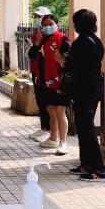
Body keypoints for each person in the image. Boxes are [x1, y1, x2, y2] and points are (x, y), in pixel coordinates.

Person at [57, 9, 105, 182]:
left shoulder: (81, 43)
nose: (74, 26)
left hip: (84, 90)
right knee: (84, 128)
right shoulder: (95, 40)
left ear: (79, 24)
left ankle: (99, 170)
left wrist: (62, 63)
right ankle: (86, 164)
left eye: (75, 22)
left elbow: (72, 67)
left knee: (86, 129)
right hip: (93, 89)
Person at [29, 13, 71, 155]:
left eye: (50, 24)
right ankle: (53, 138)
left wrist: (61, 62)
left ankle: (63, 142)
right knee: (51, 110)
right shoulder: (42, 39)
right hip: (45, 82)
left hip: (60, 82)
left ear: (57, 25)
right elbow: (32, 55)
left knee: (60, 111)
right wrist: (36, 43)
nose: (47, 27)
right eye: (45, 25)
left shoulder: (63, 39)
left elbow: (70, 61)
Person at [27, 6, 53, 143]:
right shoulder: (37, 32)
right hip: (35, 70)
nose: (37, 19)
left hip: (44, 72)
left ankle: (49, 130)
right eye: (35, 17)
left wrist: (36, 45)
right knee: (40, 101)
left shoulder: (48, 34)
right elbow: (33, 51)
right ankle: (43, 128)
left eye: (39, 16)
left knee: (46, 102)